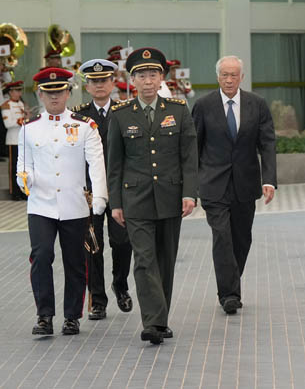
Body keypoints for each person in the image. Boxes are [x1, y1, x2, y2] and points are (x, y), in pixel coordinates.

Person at [107, 47, 198, 345]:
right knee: (144, 260)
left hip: (171, 197)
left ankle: (160, 318)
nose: (148, 81)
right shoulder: (121, 114)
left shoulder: (178, 110)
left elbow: (189, 157)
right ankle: (153, 322)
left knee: (165, 261)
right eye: (142, 76)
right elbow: (114, 164)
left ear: (162, 79)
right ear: (132, 80)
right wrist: (116, 203)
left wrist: (190, 194)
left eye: (153, 75)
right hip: (135, 199)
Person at [18, 68, 108, 336]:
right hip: (40, 204)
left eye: (59, 91)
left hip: (74, 204)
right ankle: (44, 315)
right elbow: (24, 163)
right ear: (40, 95)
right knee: (41, 255)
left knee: (75, 261)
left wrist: (100, 196)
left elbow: (96, 164)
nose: (54, 97)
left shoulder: (84, 126)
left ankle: (72, 316)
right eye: (49, 93)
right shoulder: (29, 128)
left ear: (68, 93)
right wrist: (25, 178)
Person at [192, 55, 276, 315]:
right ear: (218, 77)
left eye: (234, 75)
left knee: (241, 239)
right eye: (224, 75)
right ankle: (228, 294)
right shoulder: (203, 105)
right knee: (222, 236)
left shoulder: (257, 104)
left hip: (245, 184)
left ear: (242, 77)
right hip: (213, 184)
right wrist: (190, 187)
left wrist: (269, 180)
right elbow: (193, 147)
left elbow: (267, 144)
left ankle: (231, 282)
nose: (229, 80)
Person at [71, 59, 133, 321]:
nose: (99, 85)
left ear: (113, 83)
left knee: (122, 242)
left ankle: (120, 284)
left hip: (119, 189)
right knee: (92, 246)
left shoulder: (125, 111)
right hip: (88, 191)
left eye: (104, 80)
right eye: (94, 81)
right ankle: (97, 299)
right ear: (87, 86)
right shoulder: (78, 115)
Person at [2, 80, 26, 200]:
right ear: (10, 92)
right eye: (17, 90)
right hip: (13, 140)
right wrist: (20, 121)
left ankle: (23, 191)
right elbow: (8, 124)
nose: (19, 93)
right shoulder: (7, 105)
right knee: (14, 168)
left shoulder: (21, 104)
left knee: (24, 167)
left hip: (23, 140)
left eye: (20, 90)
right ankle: (14, 192)